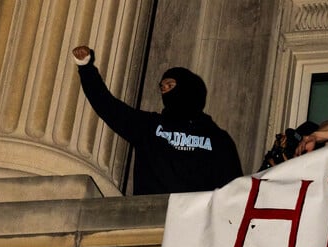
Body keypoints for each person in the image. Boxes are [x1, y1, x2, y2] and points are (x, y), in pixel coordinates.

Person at [71, 45, 242, 195]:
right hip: (151, 219)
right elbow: (109, 107)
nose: (165, 91)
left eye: (170, 85)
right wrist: (86, 69)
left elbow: (234, 188)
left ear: (187, 88)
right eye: (162, 87)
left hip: (197, 221)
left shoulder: (218, 139)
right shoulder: (149, 126)